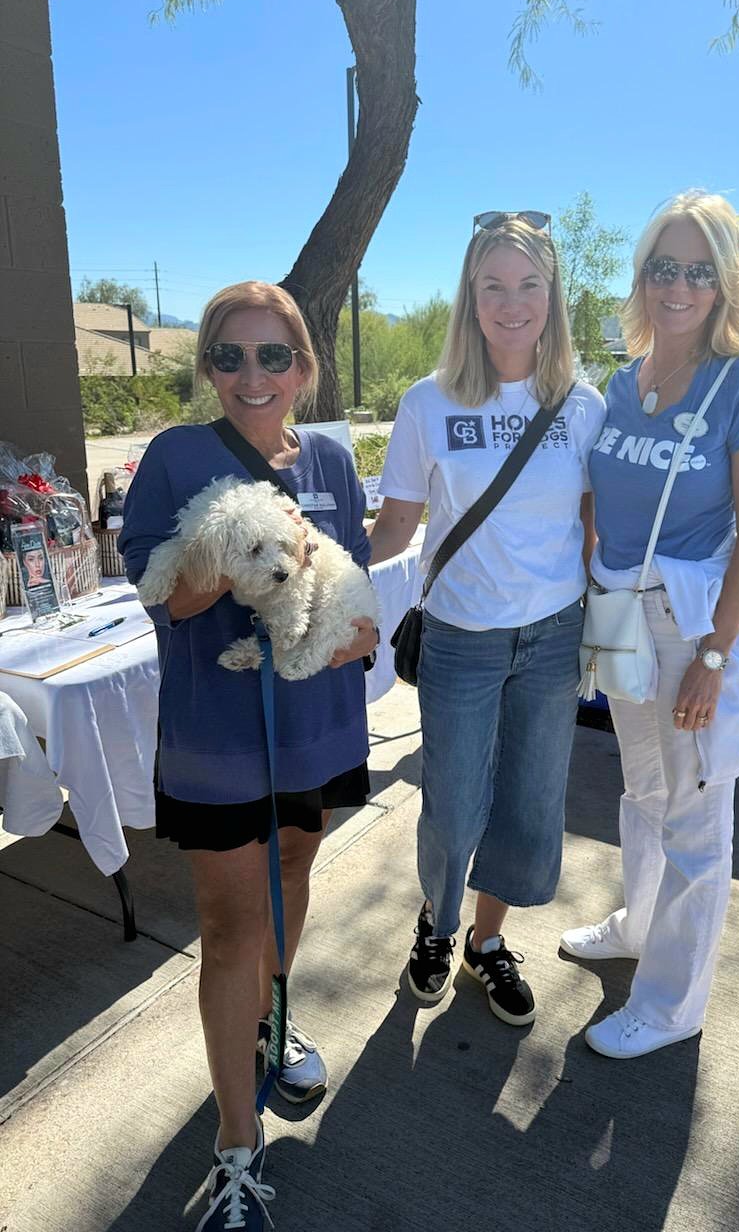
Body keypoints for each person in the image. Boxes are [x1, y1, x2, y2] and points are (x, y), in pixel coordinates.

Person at [119, 281, 377, 1230]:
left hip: (315, 724)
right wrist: (224, 562)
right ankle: (237, 1138)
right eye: (230, 357)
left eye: (275, 357)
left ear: (304, 368)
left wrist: (354, 631)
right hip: (220, 740)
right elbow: (160, 596)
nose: (253, 375)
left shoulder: (336, 463)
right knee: (229, 925)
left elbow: (344, 586)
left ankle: (271, 1020)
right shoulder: (176, 458)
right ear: (209, 370)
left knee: (294, 874)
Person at [561, 191, 739, 1059]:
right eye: (665, 266)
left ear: (726, 281)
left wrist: (717, 655)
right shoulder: (625, 377)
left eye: (699, 269)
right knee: (643, 786)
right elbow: (593, 499)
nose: (678, 285)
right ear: (643, 276)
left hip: (687, 622)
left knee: (697, 813)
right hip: (616, 609)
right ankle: (636, 923)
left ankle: (670, 1003)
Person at [369, 211, 605, 1026]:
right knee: (453, 801)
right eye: (494, 286)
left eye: (529, 285)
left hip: (551, 637)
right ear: (470, 297)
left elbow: (590, 525)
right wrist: (312, 570)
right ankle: (436, 926)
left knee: (528, 801)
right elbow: (396, 525)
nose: (512, 303)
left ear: (553, 296)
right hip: (462, 637)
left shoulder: (582, 405)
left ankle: (486, 943)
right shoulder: (427, 402)